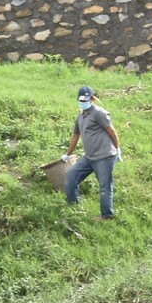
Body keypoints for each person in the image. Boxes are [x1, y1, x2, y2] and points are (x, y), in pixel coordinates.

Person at [62, 84, 121, 221]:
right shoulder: (80, 117)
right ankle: (73, 206)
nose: (83, 103)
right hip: (89, 157)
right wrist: (67, 154)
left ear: (92, 99)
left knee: (105, 186)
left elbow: (111, 131)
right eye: (81, 101)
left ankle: (107, 215)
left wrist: (117, 149)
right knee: (71, 175)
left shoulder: (99, 113)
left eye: (85, 101)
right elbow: (75, 137)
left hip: (104, 156)